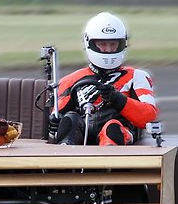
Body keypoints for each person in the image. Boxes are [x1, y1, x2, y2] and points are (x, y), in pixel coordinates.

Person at [49, 12, 158, 145]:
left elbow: (148, 117)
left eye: (113, 44)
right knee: (69, 120)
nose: (108, 50)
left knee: (112, 128)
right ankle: (65, 161)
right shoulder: (70, 80)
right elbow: (55, 117)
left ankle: (108, 161)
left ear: (122, 44)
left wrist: (118, 99)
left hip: (118, 132)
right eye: (102, 44)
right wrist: (57, 119)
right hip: (81, 133)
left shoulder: (137, 76)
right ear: (90, 43)